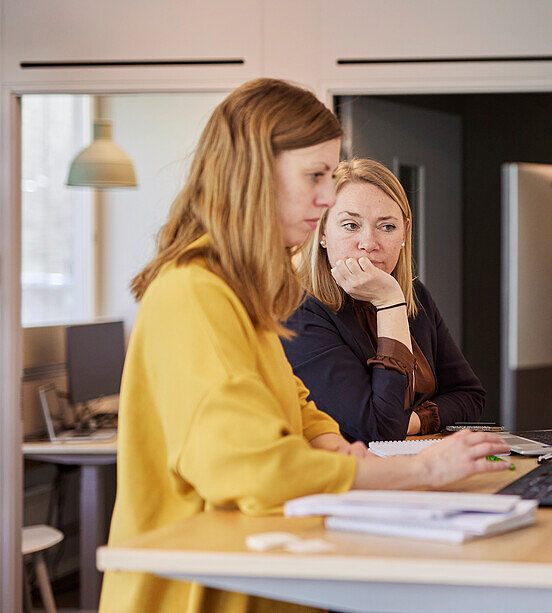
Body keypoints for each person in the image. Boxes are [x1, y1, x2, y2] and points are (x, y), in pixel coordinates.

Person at [100, 80, 508, 613]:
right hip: (203, 592)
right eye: (315, 176)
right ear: (251, 175)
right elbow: (255, 468)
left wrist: (330, 445)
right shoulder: (193, 293)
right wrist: (420, 470)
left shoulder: (241, 287)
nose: (325, 195)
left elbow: (296, 405)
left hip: (266, 577)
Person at [282, 158, 485, 442]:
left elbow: (470, 397)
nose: (369, 242)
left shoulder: (416, 295)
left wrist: (412, 421)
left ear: (404, 232)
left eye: (387, 227)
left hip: (422, 465)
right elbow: (379, 429)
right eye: (351, 225)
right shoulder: (300, 312)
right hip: (352, 478)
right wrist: (389, 302)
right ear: (323, 232)